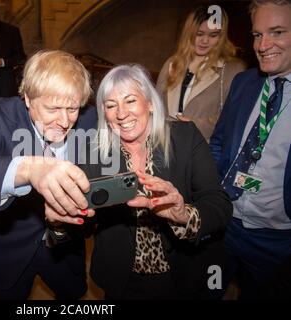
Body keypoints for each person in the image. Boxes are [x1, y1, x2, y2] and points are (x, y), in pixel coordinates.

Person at [0, 50, 97, 299]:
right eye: (53, 108)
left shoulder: (88, 117)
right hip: (6, 251)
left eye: (72, 108)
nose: (64, 121)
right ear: (27, 97)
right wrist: (29, 169)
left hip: (66, 250)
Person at [78, 64, 232, 299]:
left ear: (150, 103)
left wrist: (184, 215)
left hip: (184, 273)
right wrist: (62, 218)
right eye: (111, 105)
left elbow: (219, 204)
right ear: (104, 114)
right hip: (123, 277)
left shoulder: (184, 136)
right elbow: (84, 221)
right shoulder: (93, 153)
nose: (121, 113)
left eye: (130, 100)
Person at [209, 0, 291, 299]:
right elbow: (218, 143)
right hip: (224, 226)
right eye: (257, 35)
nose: (263, 44)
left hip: (277, 243)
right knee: (207, 289)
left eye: (277, 32)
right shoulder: (245, 82)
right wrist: (213, 195)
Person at [156, 5, 245, 141]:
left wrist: (193, 126)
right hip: (167, 145)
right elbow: (156, 104)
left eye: (213, 35)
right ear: (189, 33)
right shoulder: (172, 63)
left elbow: (232, 116)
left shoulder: (232, 69)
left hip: (202, 149)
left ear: (221, 37)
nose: (205, 41)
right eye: (199, 34)